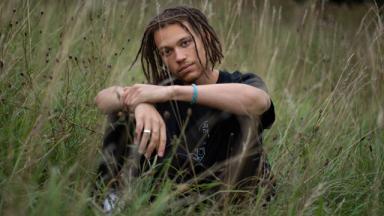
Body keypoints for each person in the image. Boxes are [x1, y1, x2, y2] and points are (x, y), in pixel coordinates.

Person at [93, 6, 276, 211]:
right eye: (167, 51)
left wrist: (174, 92)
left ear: (205, 37)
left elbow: (258, 102)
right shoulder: (160, 92)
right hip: (178, 196)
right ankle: (110, 203)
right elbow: (103, 99)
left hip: (236, 196)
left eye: (185, 43)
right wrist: (140, 105)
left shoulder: (240, 82)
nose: (179, 57)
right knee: (121, 115)